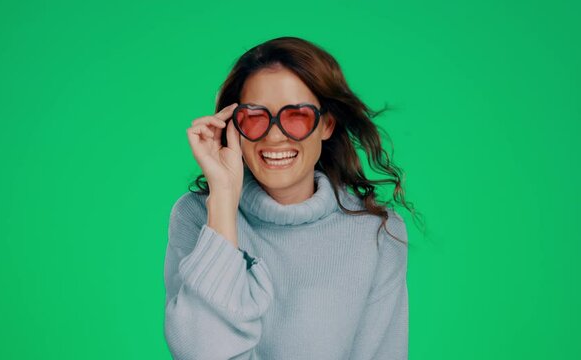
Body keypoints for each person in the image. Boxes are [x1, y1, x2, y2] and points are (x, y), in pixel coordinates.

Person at [163, 36, 417, 360]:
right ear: (234, 126)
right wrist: (224, 202)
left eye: (296, 115)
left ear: (326, 124)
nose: (274, 135)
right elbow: (202, 352)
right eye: (254, 116)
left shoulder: (377, 233)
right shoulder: (197, 216)